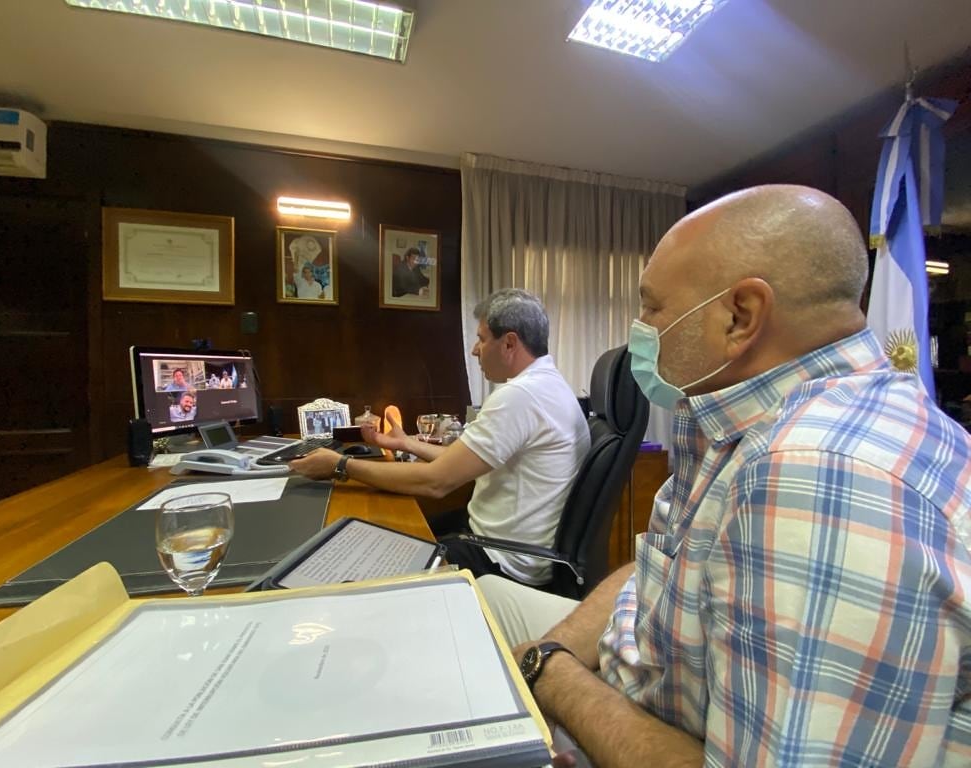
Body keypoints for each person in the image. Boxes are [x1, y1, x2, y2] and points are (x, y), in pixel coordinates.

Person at [477, 185, 971, 766]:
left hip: (642, 717)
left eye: (652, 307)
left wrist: (549, 673)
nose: (639, 327)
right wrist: (555, 652)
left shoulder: (818, 477)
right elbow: (652, 569)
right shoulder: (745, 418)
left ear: (741, 316)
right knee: (479, 601)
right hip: (638, 666)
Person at [290, 288, 591, 585]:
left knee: (372, 561)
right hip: (494, 540)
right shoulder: (546, 386)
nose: (475, 350)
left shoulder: (522, 396)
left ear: (509, 343)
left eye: (482, 339)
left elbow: (436, 482)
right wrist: (406, 443)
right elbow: (461, 457)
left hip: (502, 559)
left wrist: (340, 466)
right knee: (387, 531)